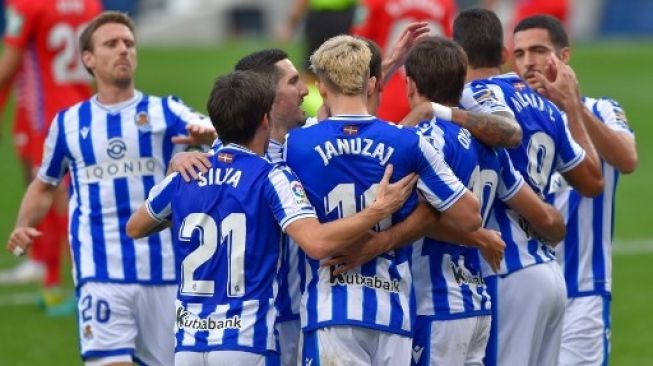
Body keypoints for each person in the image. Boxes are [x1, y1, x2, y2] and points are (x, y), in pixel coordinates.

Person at [126, 69, 418, 365]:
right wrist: (377, 210)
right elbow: (316, 243)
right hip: (245, 343)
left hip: (188, 346)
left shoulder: (186, 174)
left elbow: (135, 227)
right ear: (265, 119)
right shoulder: (271, 177)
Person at [327, 36, 566, 366]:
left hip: (434, 303)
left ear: (410, 84)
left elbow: (425, 213)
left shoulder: (423, 141)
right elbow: (541, 215)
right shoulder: (488, 147)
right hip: (475, 303)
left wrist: (379, 242)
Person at [5, 11, 215, 366]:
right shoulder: (69, 124)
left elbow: (218, 133)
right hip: (100, 272)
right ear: (88, 58)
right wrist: (23, 224)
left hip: (164, 274)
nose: (123, 50)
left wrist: (208, 138)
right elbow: (44, 185)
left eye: (129, 44)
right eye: (112, 44)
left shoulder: (167, 111)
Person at [284, 34, 481, 365]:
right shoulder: (409, 143)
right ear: (373, 84)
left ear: (322, 87)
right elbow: (470, 216)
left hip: (330, 311)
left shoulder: (295, 146)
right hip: (393, 315)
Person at [453, 8, 603, 366]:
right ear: (504, 54)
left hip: (506, 272)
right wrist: (570, 106)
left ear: (458, 56)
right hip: (548, 273)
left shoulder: (469, 100)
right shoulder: (545, 105)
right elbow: (592, 181)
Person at [511, 15, 638, 365]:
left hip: (583, 292)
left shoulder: (601, 109)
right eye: (519, 54)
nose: (528, 62)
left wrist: (572, 105)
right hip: (521, 289)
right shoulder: (505, 123)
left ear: (564, 56)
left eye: (539, 50)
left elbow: (627, 159)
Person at [0, 0, 102, 312]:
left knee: (51, 191)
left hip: (45, 113)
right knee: (68, 193)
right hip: (80, 104)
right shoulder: (89, 4)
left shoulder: (27, 5)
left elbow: (8, 66)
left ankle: (62, 283)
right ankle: (50, 270)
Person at [353, 0, 457, 123]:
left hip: (386, 92)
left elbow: (357, 47)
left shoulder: (374, 2)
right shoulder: (446, 3)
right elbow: (453, 49)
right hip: (433, 94)